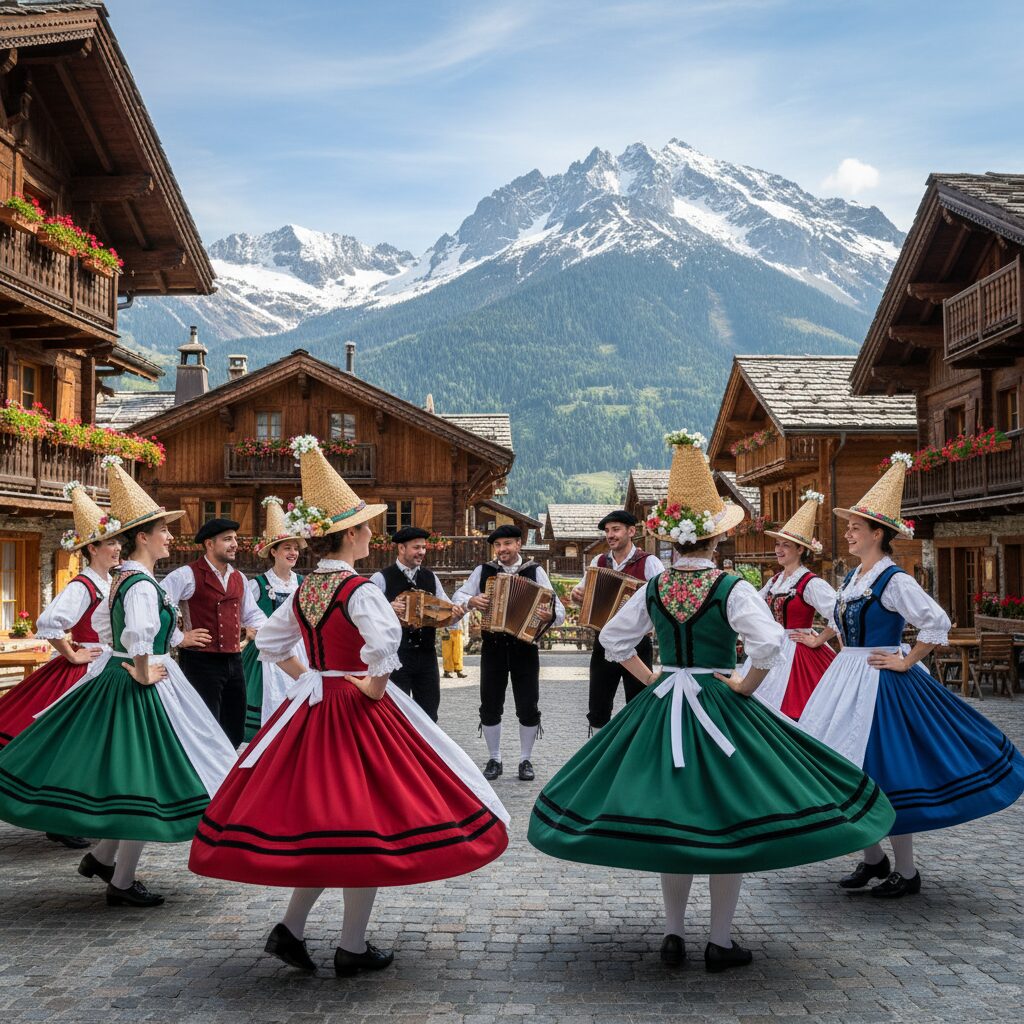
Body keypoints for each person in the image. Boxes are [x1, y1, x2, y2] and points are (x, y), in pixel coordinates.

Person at [527, 430, 896, 972]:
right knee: (728, 821)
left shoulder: (655, 588)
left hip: (664, 701)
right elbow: (769, 643)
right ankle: (719, 940)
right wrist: (744, 686)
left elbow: (611, 641)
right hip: (718, 701)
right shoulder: (730, 587)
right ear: (715, 540)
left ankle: (674, 933)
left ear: (671, 542)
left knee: (674, 820)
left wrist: (653, 677)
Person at [189, 437, 509, 975]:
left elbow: (269, 644)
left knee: (324, 826)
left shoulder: (307, 588)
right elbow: (383, 649)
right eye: (365, 527)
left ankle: (291, 930)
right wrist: (370, 688)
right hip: (354, 709)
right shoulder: (359, 589)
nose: (371, 534)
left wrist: (311, 678)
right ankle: (351, 946)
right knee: (366, 826)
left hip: (312, 707)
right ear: (351, 535)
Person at [0, 455, 236, 907]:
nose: (170, 536)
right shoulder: (141, 584)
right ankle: (121, 881)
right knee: (144, 782)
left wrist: (148, 659)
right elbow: (137, 635)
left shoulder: (125, 578)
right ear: (142, 537)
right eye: (163, 530)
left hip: (128, 678)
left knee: (138, 779)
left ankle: (105, 858)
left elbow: (127, 633)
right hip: (139, 685)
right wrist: (146, 670)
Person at [800, 453, 1024, 897]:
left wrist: (905, 660)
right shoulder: (852, 578)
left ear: (877, 534)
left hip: (883, 682)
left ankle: (906, 870)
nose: (847, 533)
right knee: (848, 766)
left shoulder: (893, 579)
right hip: (846, 677)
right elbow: (843, 624)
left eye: (854, 528)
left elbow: (935, 620)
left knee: (890, 771)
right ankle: (872, 858)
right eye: (849, 528)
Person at [0, 483, 120, 850]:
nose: (117, 548)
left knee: (87, 746)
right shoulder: (84, 584)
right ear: (91, 549)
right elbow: (49, 622)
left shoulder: (111, 581)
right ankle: (59, 817)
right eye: (110, 542)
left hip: (104, 668)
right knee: (71, 746)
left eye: (118, 542)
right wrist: (72, 654)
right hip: (84, 671)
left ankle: (76, 812)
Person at [452, 525, 564, 782]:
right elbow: (459, 596)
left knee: (528, 704)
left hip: (525, 647)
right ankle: (495, 758)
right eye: (498, 545)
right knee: (490, 703)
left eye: (507, 544)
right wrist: (471, 601)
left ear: (518, 545)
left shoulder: (535, 571)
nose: (502, 549)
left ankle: (525, 759)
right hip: (493, 647)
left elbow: (558, 612)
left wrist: (548, 616)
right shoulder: (484, 571)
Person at [163, 517, 267, 746]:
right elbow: (158, 605)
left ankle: (227, 778)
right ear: (209, 544)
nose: (235, 544)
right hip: (200, 661)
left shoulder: (239, 578)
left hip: (234, 660)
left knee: (234, 727)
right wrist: (179, 638)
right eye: (228, 539)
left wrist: (270, 633)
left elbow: (252, 615)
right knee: (203, 726)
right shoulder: (186, 574)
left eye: (235, 539)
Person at [741, 491, 837, 719]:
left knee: (796, 709)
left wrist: (818, 639)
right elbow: (753, 605)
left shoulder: (810, 583)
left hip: (799, 652)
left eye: (786, 545)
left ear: (801, 549)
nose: (779, 550)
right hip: (772, 645)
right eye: (777, 544)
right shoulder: (775, 581)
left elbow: (840, 614)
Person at [569, 510, 664, 731]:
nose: (610, 535)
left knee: (639, 702)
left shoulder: (650, 563)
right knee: (598, 707)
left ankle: (638, 754)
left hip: (638, 643)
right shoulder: (599, 561)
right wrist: (576, 595)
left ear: (631, 531)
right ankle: (603, 758)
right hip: (603, 641)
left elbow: (661, 600)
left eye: (616, 529)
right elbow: (582, 592)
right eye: (607, 531)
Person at [370, 526, 466, 722]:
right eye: (416, 547)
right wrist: (388, 607)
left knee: (430, 714)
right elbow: (368, 616)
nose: (422, 552)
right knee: (397, 715)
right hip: (396, 657)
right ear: (401, 549)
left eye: (423, 547)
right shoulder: (380, 579)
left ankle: (425, 753)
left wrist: (457, 614)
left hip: (426, 656)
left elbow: (447, 611)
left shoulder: (430, 577)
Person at [242, 497, 307, 741]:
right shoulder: (257, 584)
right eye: (287, 548)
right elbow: (242, 613)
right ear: (274, 552)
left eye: (295, 548)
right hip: (265, 654)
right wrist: (249, 628)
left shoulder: (302, 583)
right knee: (270, 702)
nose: (293, 553)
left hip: (299, 650)